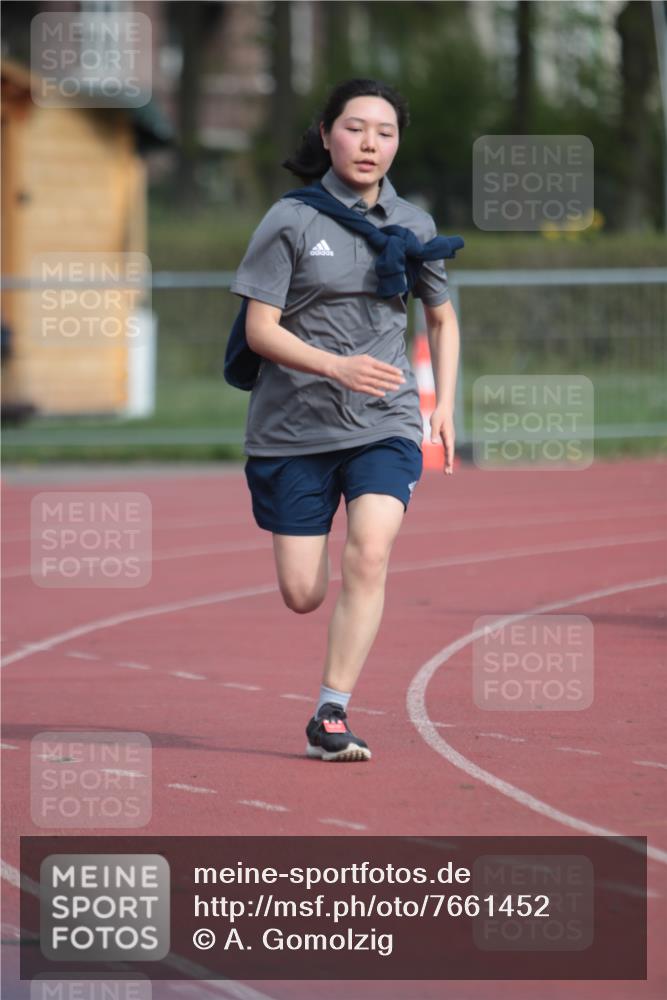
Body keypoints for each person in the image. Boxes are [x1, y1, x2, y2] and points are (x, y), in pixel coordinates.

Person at [230, 77, 460, 762]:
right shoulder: (290, 220)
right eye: (355, 128)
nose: (369, 143)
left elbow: (441, 319)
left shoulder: (413, 225)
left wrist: (445, 402)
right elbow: (260, 330)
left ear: (397, 143)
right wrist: (336, 367)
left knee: (370, 550)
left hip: (383, 421)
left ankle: (331, 712)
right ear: (327, 134)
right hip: (293, 429)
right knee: (303, 593)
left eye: (384, 132)